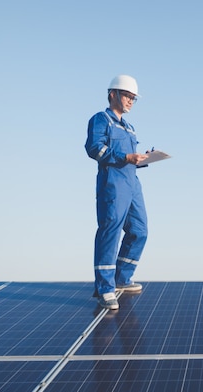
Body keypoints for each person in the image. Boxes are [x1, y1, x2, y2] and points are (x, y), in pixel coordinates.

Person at [85, 74, 149, 310]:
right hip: (113, 183)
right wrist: (124, 157)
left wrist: (143, 158)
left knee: (140, 231)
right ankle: (105, 288)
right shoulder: (101, 119)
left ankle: (122, 278)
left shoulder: (130, 128)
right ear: (113, 94)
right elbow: (94, 148)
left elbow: (130, 158)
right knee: (110, 231)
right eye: (128, 96)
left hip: (133, 184)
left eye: (134, 98)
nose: (131, 101)